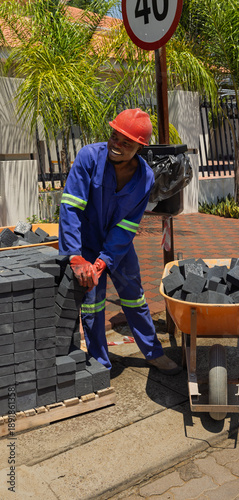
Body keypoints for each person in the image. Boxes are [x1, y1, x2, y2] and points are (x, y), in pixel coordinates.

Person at [58, 108, 181, 375]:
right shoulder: (89, 158)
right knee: (92, 302)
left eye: (126, 143)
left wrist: (106, 259)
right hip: (84, 245)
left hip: (119, 248)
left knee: (135, 299)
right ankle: (100, 362)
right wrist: (75, 256)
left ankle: (153, 353)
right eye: (115, 136)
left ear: (140, 146)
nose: (117, 145)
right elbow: (71, 208)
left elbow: (127, 225)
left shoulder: (145, 177)